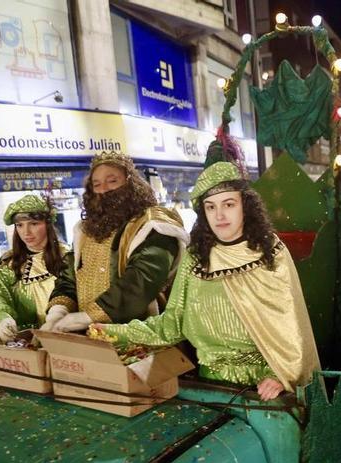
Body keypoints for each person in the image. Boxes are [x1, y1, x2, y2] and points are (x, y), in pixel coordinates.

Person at [90, 162, 320, 401]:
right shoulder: (196, 257)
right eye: (210, 207)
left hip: (263, 390)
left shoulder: (268, 252)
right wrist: (113, 333)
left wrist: (280, 375)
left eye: (228, 204)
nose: (219, 215)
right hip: (210, 389)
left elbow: (292, 327)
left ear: (246, 206)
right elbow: (172, 325)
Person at [42, 152, 189, 332]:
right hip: (89, 340)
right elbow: (71, 277)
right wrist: (59, 311)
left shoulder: (153, 226)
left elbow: (141, 281)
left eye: (112, 181)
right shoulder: (85, 231)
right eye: (96, 184)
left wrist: (88, 316)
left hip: (140, 337)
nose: (103, 189)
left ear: (131, 184)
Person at [0, 195, 67, 342]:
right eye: (19, 225)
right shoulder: (7, 266)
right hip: (27, 345)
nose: (26, 232)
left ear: (47, 224)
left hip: (69, 340)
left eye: (34, 223)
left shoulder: (68, 258)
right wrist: (1, 319)